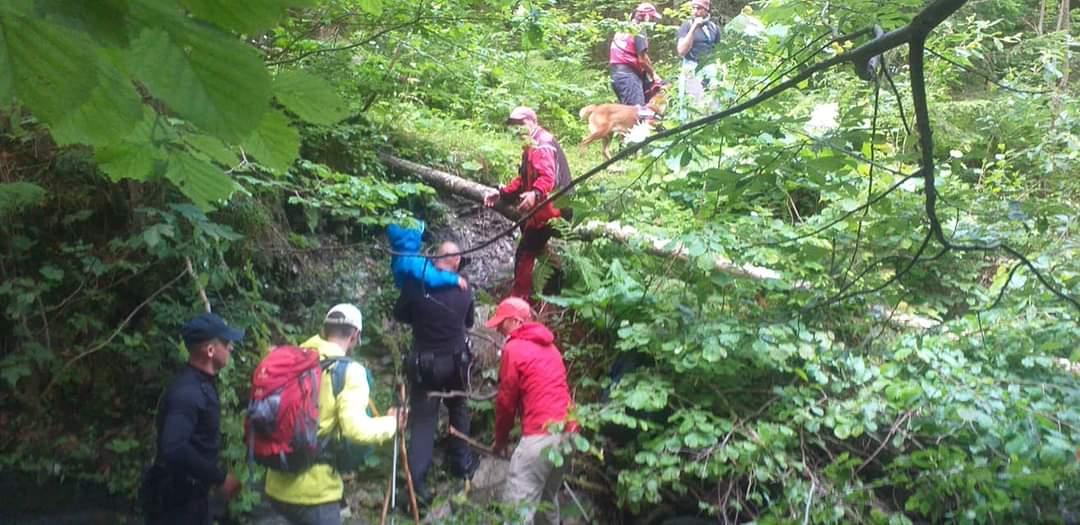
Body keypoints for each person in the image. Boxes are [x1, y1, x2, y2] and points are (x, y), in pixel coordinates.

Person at [265, 304, 402, 525]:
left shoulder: (292, 358)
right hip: (316, 495)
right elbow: (356, 430)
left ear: (324, 329)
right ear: (356, 335)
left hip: (274, 484)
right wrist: (392, 422)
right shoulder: (349, 371)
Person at [394, 241, 478, 508]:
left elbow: (400, 314)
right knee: (459, 407)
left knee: (423, 422)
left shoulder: (415, 284)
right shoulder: (463, 288)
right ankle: (461, 463)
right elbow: (469, 323)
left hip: (424, 364)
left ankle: (417, 485)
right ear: (454, 261)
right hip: (455, 363)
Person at [143, 313, 245, 525]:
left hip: (192, 496)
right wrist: (219, 478)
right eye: (226, 343)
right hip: (177, 502)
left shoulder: (202, 384)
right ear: (210, 350)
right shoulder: (188, 392)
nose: (231, 348)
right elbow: (174, 446)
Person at [486, 297, 578, 525]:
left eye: (502, 322)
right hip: (570, 434)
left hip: (541, 435)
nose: (498, 328)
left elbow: (506, 402)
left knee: (517, 512)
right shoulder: (551, 347)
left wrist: (500, 441)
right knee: (547, 499)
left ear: (516, 321)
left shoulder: (514, 348)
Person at [483, 107, 571, 301]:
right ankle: (555, 291)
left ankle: (520, 299)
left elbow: (547, 178)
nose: (518, 129)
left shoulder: (542, 145)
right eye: (514, 126)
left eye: (521, 124)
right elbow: (525, 179)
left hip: (554, 209)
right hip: (547, 207)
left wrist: (535, 193)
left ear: (532, 121)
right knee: (537, 248)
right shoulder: (531, 144)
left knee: (525, 253)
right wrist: (503, 194)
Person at [387, 221, 467, 291]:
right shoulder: (409, 261)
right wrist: (454, 279)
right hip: (417, 293)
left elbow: (420, 266)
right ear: (413, 237)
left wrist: (432, 262)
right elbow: (430, 277)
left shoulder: (401, 256)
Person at [609, 3, 663, 107]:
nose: (652, 21)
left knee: (628, 110)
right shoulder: (639, 30)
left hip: (616, 75)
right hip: (629, 76)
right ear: (646, 16)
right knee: (637, 111)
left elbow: (642, 56)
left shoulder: (623, 27)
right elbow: (642, 60)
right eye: (652, 17)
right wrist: (654, 75)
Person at [676, 0, 722, 116]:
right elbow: (681, 51)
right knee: (694, 103)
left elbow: (717, 51)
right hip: (692, 68)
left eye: (699, 9)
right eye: (694, 8)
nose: (695, 12)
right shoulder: (686, 26)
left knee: (713, 103)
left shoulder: (714, 28)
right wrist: (694, 28)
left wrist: (720, 69)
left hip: (710, 69)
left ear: (706, 10)